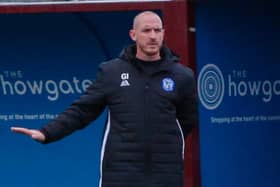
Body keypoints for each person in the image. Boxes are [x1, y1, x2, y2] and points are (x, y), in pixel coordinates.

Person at [11, 11, 198, 187]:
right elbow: (83, 110)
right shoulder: (112, 72)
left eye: (157, 30)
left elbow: (186, 120)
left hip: (165, 173)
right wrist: (47, 133)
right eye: (146, 30)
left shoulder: (182, 76)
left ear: (163, 33)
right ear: (133, 34)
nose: (152, 36)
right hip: (120, 173)